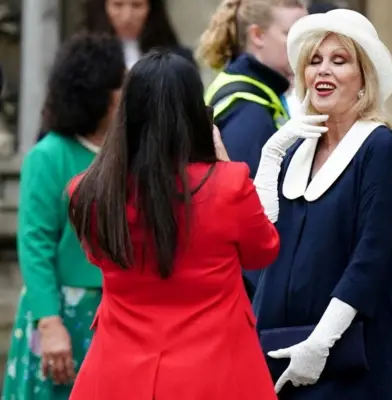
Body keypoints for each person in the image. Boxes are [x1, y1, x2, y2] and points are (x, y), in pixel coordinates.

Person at [67, 50, 280, 400]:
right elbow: (263, 250)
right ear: (195, 111)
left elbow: (98, 257)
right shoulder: (229, 184)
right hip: (217, 373)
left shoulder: (88, 190)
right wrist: (226, 164)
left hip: (117, 374)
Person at [249, 9, 392, 399]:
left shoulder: (380, 147)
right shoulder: (296, 148)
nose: (323, 71)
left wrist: (321, 342)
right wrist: (271, 154)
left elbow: (369, 261)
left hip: (351, 360)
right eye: (314, 61)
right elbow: (260, 238)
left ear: (364, 78)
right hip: (282, 356)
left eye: (339, 61)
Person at [1, 33, 125, 400]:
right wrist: (49, 321)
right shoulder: (48, 156)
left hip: (119, 314)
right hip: (60, 313)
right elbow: (34, 243)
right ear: (96, 93)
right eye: (118, 85)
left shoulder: (129, 154)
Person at [198, 0, 307, 295]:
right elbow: (247, 207)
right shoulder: (248, 108)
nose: (305, 46)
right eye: (292, 34)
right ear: (257, 35)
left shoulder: (255, 89)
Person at [80, 0, 196, 69]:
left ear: (151, 7)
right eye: (118, 5)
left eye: (137, 5)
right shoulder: (83, 58)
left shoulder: (178, 60)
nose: (127, 17)